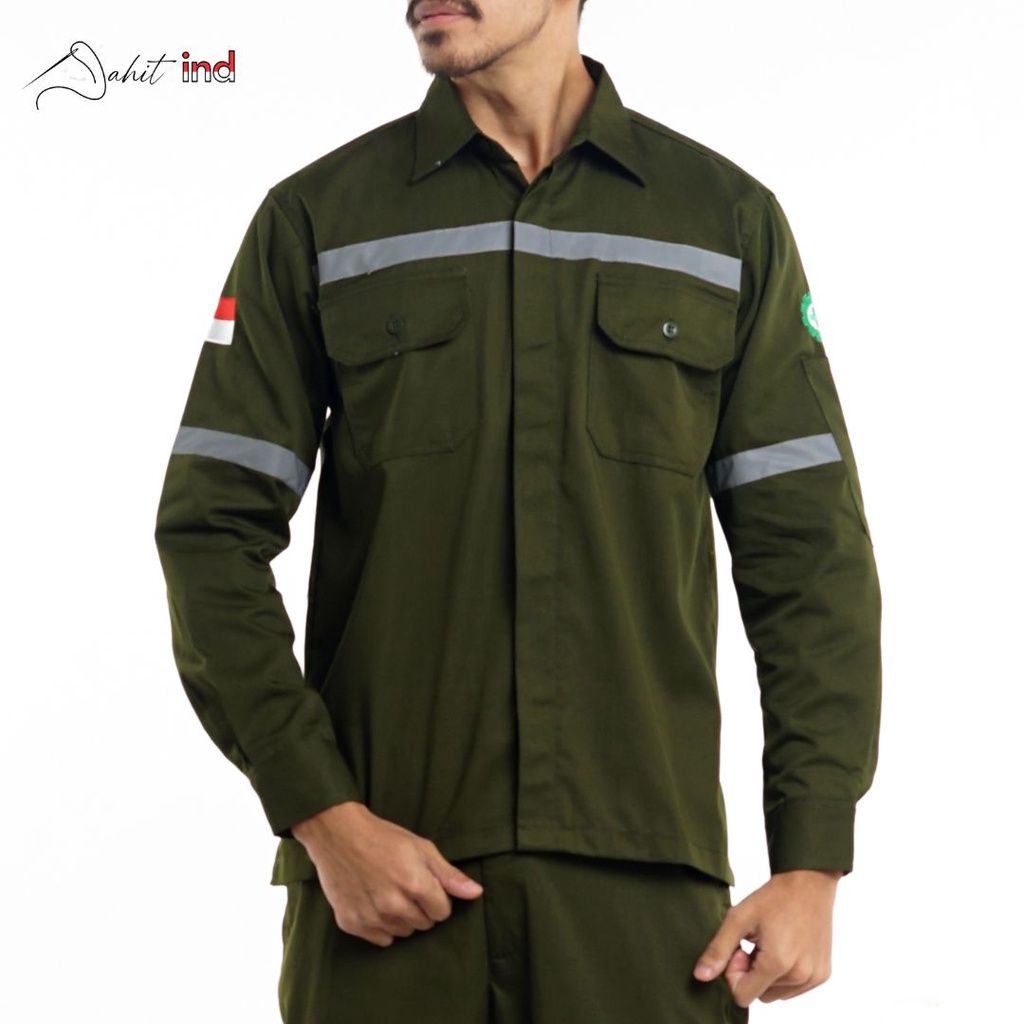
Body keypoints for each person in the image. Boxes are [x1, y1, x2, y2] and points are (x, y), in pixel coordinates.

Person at [154, 1, 882, 1021]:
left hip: (643, 896)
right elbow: (209, 533)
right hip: (383, 885)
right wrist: (320, 811)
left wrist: (813, 859)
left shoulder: (721, 221)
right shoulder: (319, 218)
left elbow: (808, 559)